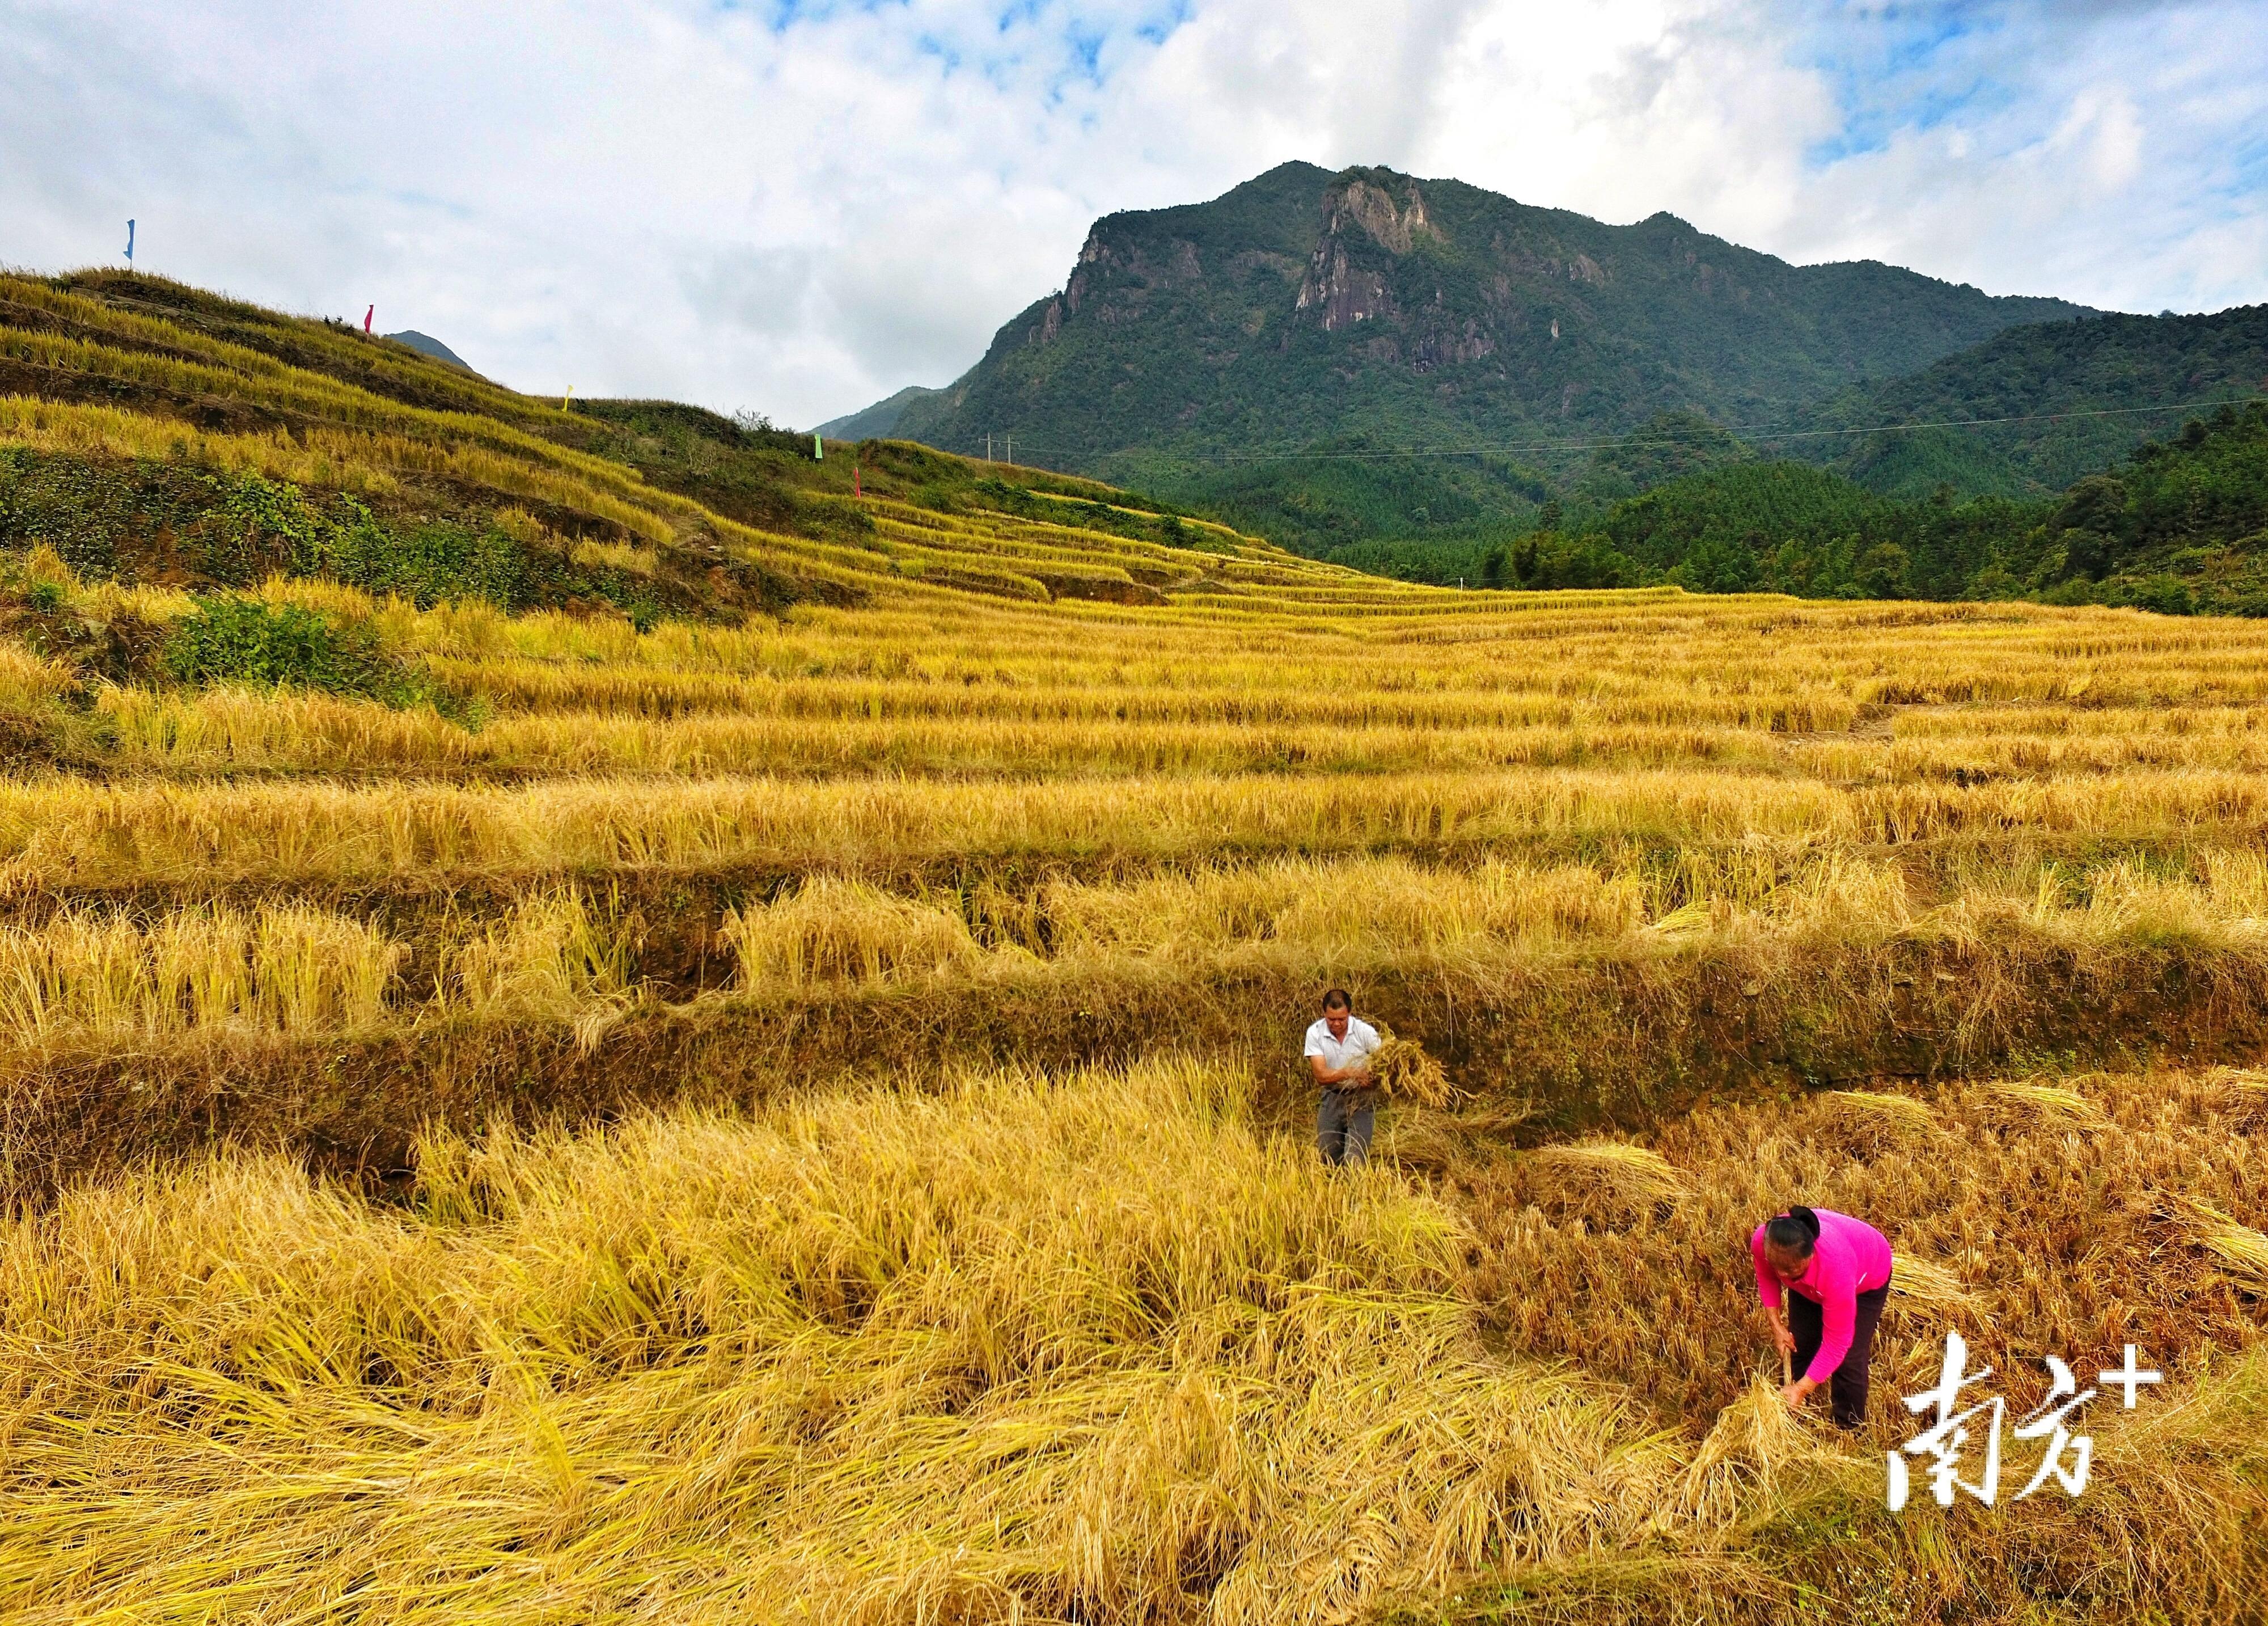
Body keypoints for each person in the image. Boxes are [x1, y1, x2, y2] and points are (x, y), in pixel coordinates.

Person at [1751, 1205, 1895, 1426]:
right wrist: (1777, 1326)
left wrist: (1804, 1387)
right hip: (1816, 1280)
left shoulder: (1836, 1269)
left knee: (1849, 1358)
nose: (1782, 1275)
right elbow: (1767, 1276)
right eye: (1779, 1268)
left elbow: (1838, 1343)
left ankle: (1848, 1426)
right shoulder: (1766, 1240)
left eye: (1790, 1271)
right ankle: (1788, 1409)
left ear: (1810, 1256)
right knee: (1800, 1341)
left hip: (1868, 1277)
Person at [1304, 989, 1381, 1166]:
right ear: (1324, 1014)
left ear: (1350, 1014)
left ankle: (1356, 1192)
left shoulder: (1366, 1032)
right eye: (1332, 1019)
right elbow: (1321, 1076)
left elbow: (1384, 1064)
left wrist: (1371, 1079)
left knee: (1354, 1160)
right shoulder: (1315, 1033)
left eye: (1342, 1019)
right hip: (1332, 1097)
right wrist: (1351, 1072)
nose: (1337, 1024)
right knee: (1328, 1158)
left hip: (1361, 1099)